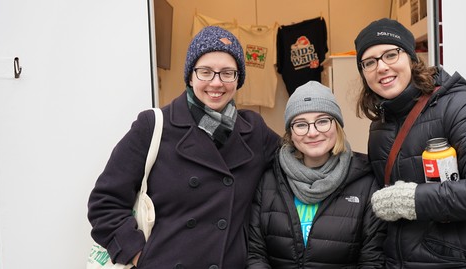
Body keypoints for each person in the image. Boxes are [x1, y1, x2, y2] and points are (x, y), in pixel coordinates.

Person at [87, 26, 280, 268]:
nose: (216, 83)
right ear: (190, 76)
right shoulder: (154, 125)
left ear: (238, 78)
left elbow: (295, 165)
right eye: (205, 72)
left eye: (227, 73)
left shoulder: (254, 131)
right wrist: (141, 257)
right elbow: (105, 203)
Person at [354, 18, 466, 268]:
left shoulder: (457, 106)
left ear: (411, 58)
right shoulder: (380, 125)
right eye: (370, 62)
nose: (381, 67)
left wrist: (414, 200)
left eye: (390, 55)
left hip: (462, 260)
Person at [248, 81, 386, 268]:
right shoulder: (269, 180)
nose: (312, 133)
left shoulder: (366, 182)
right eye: (301, 124)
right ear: (291, 132)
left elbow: (372, 260)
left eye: (322, 121)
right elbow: (256, 254)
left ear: (336, 126)